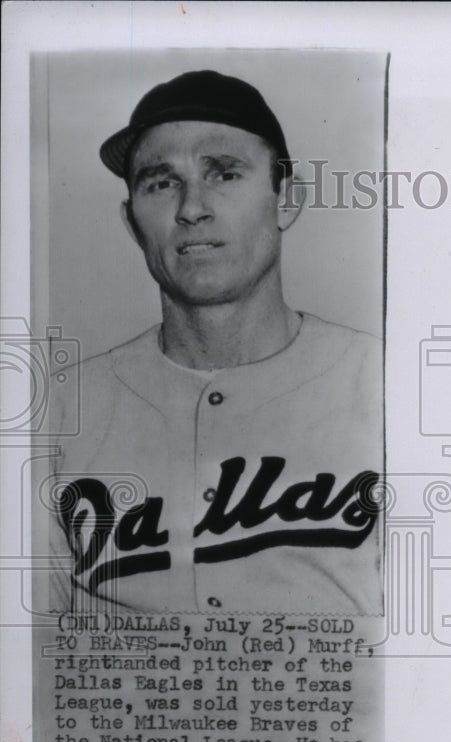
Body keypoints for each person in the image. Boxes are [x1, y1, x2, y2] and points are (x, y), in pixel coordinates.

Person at [48, 70, 383, 615]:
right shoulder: (58, 411)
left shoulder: (388, 389)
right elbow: (24, 660)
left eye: (224, 174)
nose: (191, 207)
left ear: (286, 200)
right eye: (161, 182)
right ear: (132, 222)